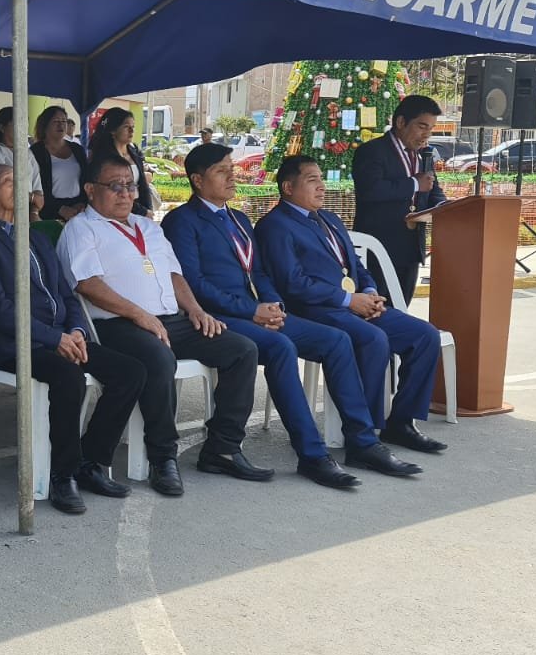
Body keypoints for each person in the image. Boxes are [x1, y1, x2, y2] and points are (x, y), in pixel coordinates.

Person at [161, 144, 418, 488]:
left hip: (259, 311)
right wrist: (251, 310)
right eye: (222, 171)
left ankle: (363, 441)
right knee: (281, 348)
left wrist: (271, 303)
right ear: (196, 180)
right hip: (219, 316)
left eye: (231, 168)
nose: (232, 176)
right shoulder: (182, 221)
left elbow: (260, 272)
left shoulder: (238, 218)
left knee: (337, 340)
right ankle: (312, 455)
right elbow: (194, 284)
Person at [56, 154, 260, 498]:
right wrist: (139, 314)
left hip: (168, 319)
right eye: (115, 186)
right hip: (116, 325)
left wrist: (195, 310)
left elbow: (174, 273)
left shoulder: (148, 226)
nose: (125, 193)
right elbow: (86, 283)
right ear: (91, 190)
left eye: (130, 185)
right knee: (159, 357)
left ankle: (223, 447)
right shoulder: (81, 228)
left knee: (241, 350)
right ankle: (163, 456)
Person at [0, 164, 142, 514]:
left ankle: (90, 461)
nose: (19, 188)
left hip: (61, 336)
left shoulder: (36, 236)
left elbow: (66, 293)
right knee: (68, 376)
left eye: (21, 182)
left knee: (131, 372)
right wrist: (53, 337)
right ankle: (63, 475)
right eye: (7, 182)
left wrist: (75, 331)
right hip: (18, 345)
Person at [255, 156, 448, 457]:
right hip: (315, 310)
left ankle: (401, 422)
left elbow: (356, 266)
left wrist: (370, 291)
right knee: (373, 339)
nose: (321, 186)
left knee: (425, 335)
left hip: (355, 303)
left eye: (321, 179)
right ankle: (364, 432)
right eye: (312, 180)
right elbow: (293, 283)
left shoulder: (329, 219)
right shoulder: (275, 225)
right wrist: (348, 300)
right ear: (288, 187)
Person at [351, 95, 447, 305]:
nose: (426, 134)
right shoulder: (372, 151)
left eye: (431, 129)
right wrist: (413, 184)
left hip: (411, 249)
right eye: (422, 126)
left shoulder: (424, 155)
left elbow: (433, 191)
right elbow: (371, 190)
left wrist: (446, 208)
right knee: (380, 311)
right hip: (379, 246)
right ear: (401, 122)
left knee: (403, 308)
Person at [86, 106, 157, 218]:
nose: (131, 131)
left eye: (133, 127)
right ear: (113, 130)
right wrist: (142, 211)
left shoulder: (133, 152)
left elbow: (142, 185)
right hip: (116, 208)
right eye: (126, 127)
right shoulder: (104, 157)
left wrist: (147, 209)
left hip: (138, 208)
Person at [0, 106, 43, 220]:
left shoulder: (27, 153)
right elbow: (3, 189)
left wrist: (34, 211)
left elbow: (38, 191)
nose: (22, 128)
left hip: (27, 213)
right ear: (2, 127)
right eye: (17, 123)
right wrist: (32, 197)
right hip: (4, 214)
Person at [31, 105, 88, 223]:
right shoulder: (36, 152)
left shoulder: (77, 149)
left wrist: (82, 203)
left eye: (64, 121)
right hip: (48, 211)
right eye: (56, 121)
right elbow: (36, 185)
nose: (61, 125)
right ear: (45, 125)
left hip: (78, 210)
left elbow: (87, 178)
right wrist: (59, 209)